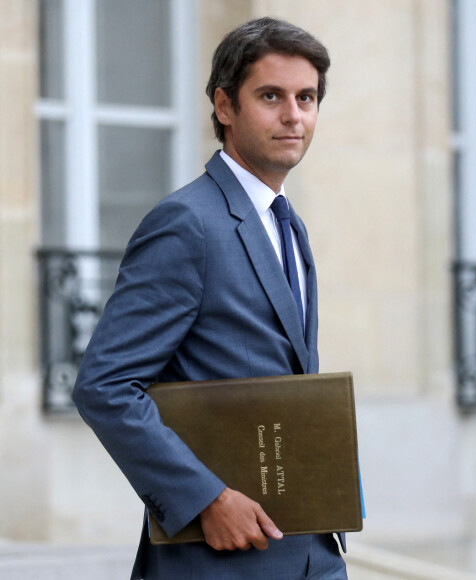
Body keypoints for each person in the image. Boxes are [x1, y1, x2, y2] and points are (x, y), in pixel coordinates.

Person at [73, 16, 347, 580]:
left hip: (311, 551)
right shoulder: (186, 223)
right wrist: (205, 499)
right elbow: (104, 386)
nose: (293, 115)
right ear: (225, 106)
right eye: (270, 96)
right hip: (218, 560)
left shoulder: (288, 225)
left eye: (307, 97)